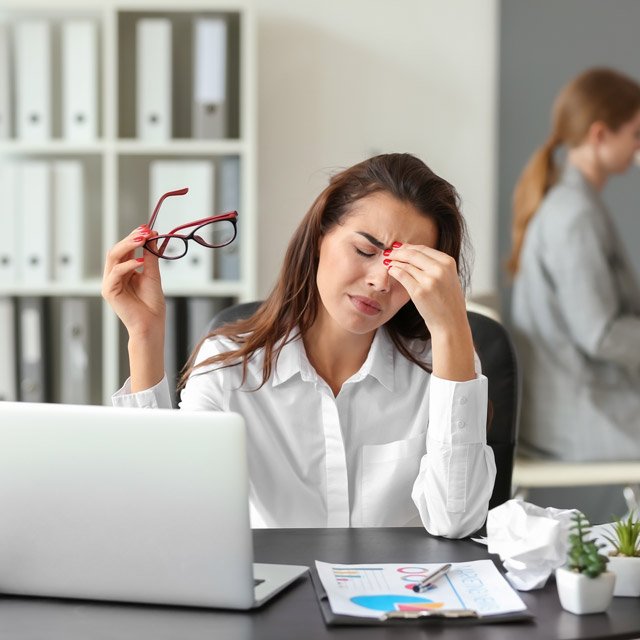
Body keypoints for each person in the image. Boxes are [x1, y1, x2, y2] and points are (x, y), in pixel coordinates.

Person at [103, 153, 496, 537]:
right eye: (364, 251)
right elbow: (165, 513)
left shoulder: (442, 366)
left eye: (407, 268)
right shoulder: (229, 372)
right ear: (320, 236)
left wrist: (451, 329)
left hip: (399, 596)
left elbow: (455, 521)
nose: (381, 281)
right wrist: (144, 338)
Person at [508, 68, 640, 463]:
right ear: (600, 135)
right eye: (635, 134)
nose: (638, 146)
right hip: (580, 415)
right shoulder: (574, 215)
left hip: (584, 399)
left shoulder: (575, 203)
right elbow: (598, 333)